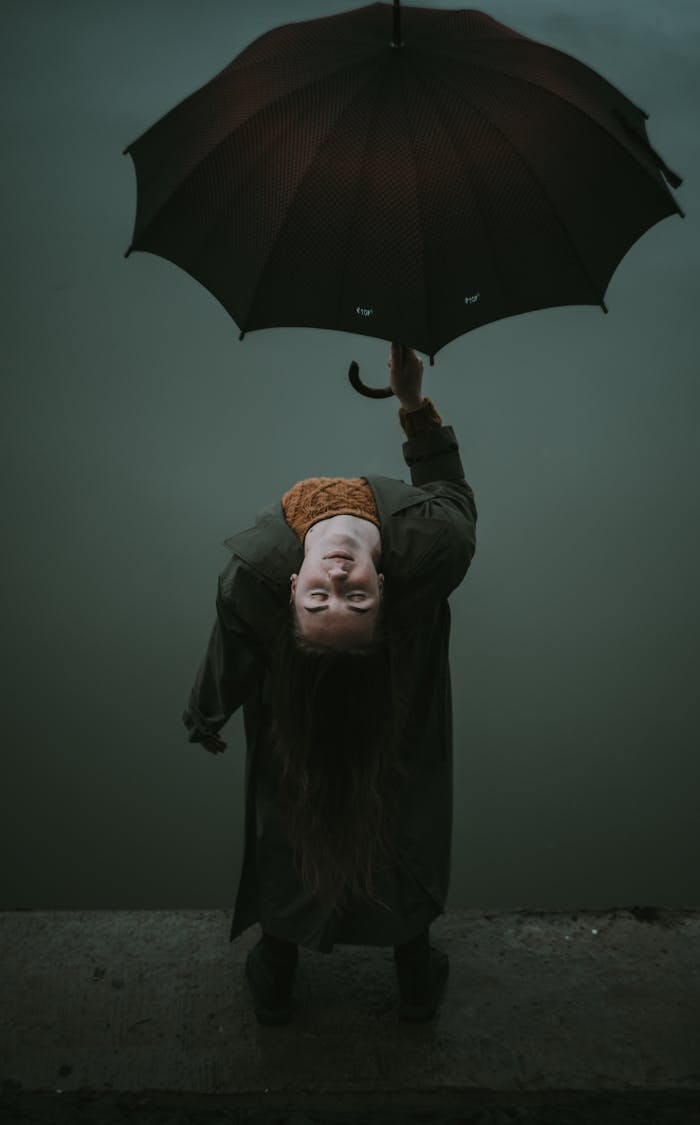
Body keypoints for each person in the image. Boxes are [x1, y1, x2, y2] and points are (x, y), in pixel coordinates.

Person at [182, 343, 477, 1022]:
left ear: (293, 591)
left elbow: (228, 650)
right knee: (334, 791)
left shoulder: (254, 580)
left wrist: (207, 712)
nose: (339, 582)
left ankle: (281, 964)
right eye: (348, 600)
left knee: (332, 790)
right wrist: (414, 405)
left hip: (381, 699)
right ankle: (407, 966)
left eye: (325, 600)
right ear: (385, 589)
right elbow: (455, 494)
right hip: (340, 701)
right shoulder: (436, 548)